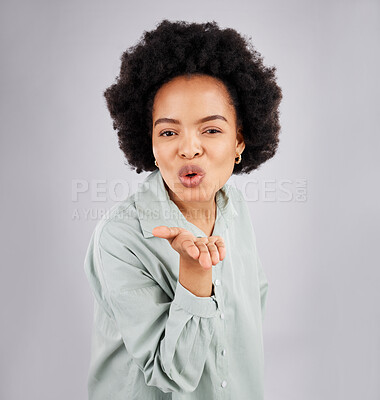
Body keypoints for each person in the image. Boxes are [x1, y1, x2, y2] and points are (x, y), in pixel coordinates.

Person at [84, 19, 282, 400]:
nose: (188, 149)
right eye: (169, 132)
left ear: (240, 140)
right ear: (152, 147)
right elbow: (172, 376)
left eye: (211, 129)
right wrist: (193, 277)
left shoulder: (234, 207)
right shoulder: (120, 237)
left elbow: (248, 321)